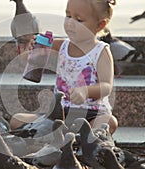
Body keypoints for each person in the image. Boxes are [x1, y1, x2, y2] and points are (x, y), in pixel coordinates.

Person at [10, 0, 118, 134]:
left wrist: (86, 91)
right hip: (60, 111)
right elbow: (26, 59)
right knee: (17, 120)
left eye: (79, 20)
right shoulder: (61, 45)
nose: (70, 23)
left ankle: (78, 137)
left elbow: (107, 85)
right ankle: (62, 134)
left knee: (108, 122)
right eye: (68, 16)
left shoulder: (100, 51)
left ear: (100, 25)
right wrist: (32, 49)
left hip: (92, 113)